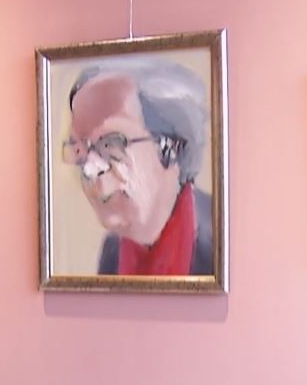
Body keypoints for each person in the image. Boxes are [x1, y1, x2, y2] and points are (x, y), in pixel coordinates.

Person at [63, 62, 213, 275]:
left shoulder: (218, 241)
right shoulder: (112, 253)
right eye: (78, 149)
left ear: (170, 149)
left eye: (110, 144)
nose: (88, 169)